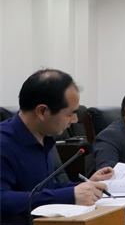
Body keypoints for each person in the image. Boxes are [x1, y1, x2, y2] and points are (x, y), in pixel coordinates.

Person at [1, 69, 113, 216]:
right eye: (70, 114)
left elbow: (44, 190)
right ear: (42, 112)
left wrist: (86, 186)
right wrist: (70, 195)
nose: (74, 120)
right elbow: (3, 200)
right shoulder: (4, 143)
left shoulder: (45, 138)